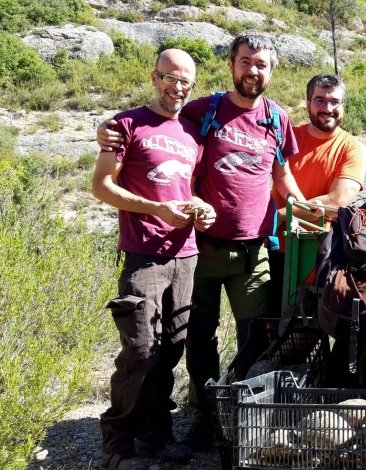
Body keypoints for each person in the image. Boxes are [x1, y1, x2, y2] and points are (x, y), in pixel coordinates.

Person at [97, 31, 316, 452]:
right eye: (246, 61)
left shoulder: (277, 118)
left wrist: (310, 211)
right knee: (197, 339)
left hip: (252, 250)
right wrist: (106, 130)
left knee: (255, 335)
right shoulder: (204, 109)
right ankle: (203, 415)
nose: (253, 70)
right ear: (232, 64)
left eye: (262, 64)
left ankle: (246, 415)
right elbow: (153, 122)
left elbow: (282, 176)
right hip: (200, 249)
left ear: (272, 71)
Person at [92, 49, 216, 470]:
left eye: (185, 82)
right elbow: (103, 187)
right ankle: (117, 447)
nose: (177, 88)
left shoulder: (191, 133)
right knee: (139, 351)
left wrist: (201, 208)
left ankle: (157, 438)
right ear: (154, 77)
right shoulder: (125, 124)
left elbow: (185, 189)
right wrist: (156, 210)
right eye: (169, 78)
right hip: (144, 255)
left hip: (186, 255)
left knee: (169, 352)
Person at [267, 72, 366, 318]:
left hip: (319, 254)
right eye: (320, 100)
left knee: (309, 327)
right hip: (274, 248)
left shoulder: (352, 148)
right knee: (265, 323)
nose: (328, 108)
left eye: (334, 102)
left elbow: (338, 198)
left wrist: (281, 215)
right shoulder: (287, 139)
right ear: (308, 102)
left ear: (343, 106)